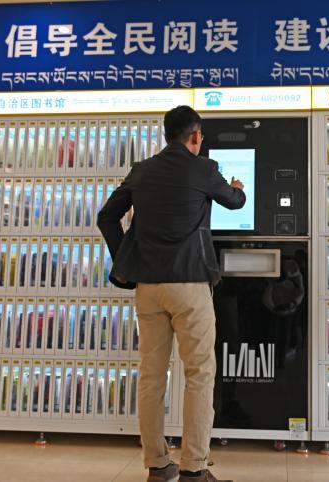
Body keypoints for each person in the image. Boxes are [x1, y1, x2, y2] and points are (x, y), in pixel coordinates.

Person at [97, 105, 245, 482]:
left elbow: (106, 217)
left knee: (151, 375)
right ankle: (194, 467)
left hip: (149, 288)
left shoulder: (142, 170)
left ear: (167, 136)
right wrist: (238, 188)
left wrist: (127, 256)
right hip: (190, 284)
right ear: (195, 136)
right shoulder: (204, 169)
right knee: (199, 373)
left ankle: (158, 465)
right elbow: (234, 202)